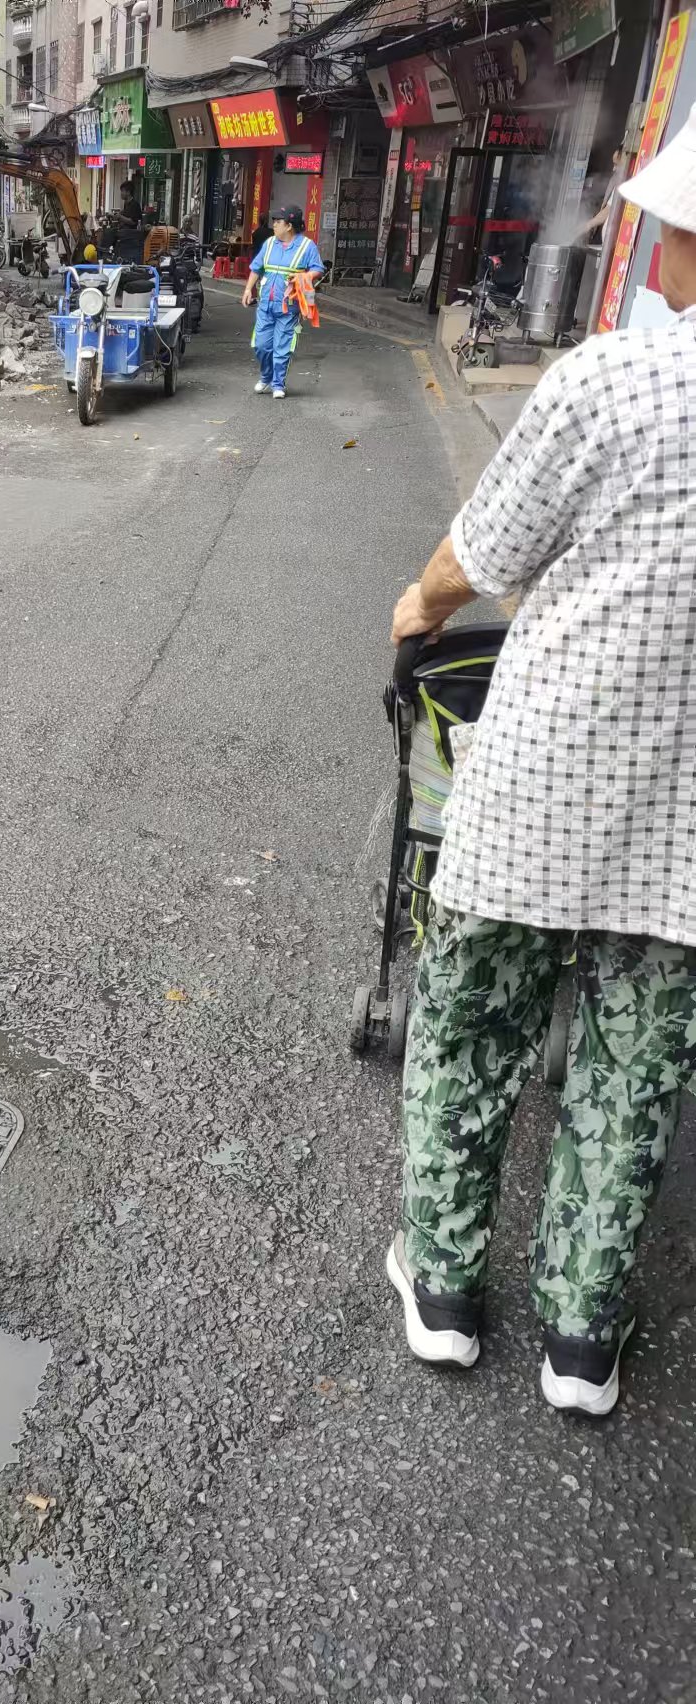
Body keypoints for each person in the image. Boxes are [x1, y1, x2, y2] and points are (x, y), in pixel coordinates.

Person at [384, 102, 696, 1419]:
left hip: (538, 789)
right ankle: (579, 1339)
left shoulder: (610, 377)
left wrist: (411, 611)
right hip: (682, 832)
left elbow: (483, 553)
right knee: (627, 1079)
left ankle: (446, 1295)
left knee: (465, 1033)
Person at [240, 204, 323, 397]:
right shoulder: (269, 244)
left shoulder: (306, 246)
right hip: (265, 304)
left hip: (289, 306)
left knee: (282, 347)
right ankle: (266, 377)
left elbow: (318, 269)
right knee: (261, 345)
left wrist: (305, 276)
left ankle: (278, 384)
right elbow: (256, 268)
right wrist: (247, 289)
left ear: (289, 226)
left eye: (278, 222)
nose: (274, 225)